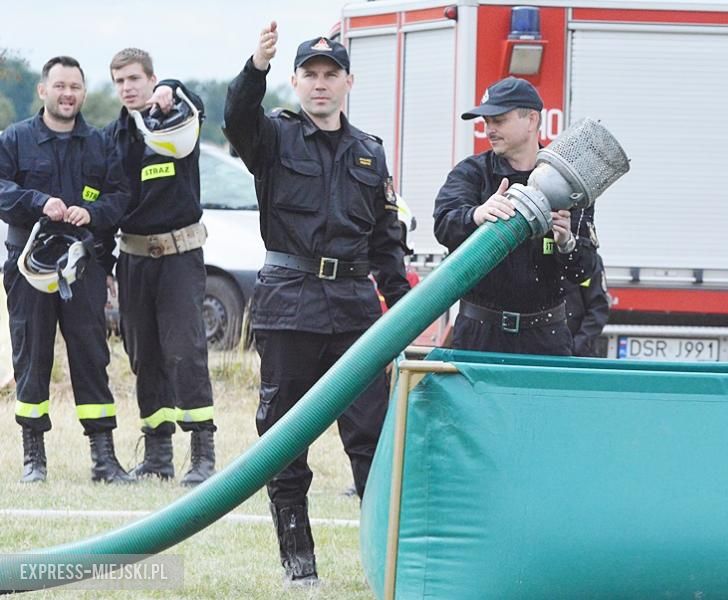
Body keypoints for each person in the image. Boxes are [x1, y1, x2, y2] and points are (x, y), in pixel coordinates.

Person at [224, 23, 410, 585]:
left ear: (349, 82)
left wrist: (403, 312)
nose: (321, 85)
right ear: (296, 81)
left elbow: (386, 242)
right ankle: (299, 569)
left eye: (332, 75)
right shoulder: (272, 138)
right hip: (290, 303)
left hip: (356, 310)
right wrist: (255, 65)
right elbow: (236, 117)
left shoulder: (369, 154)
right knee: (284, 440)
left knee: (372, 440)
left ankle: (385, 566)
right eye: (311, 75)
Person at [0, 56, 133, 483]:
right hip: (30, 267)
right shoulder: (15, 139)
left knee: (92, 358)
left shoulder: (99, 144)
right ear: (43, 91)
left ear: (83, 92)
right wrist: (39, 202)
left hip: (83, 267)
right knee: (31, 357)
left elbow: (119, 197)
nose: (67, 94)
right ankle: (34, 460)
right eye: (59, 86)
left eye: (75, 86)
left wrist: (90, 214)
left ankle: (104, 460)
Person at [104, 48, 216, 486]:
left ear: (151, 80)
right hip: (133, 259)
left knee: (186, 352)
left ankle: (202, 453)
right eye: (119, 81)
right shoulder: (115, 136)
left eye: (135, 78)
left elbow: (196, 103)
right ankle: (157, 454)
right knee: (144, 356)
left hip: (179, 256)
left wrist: (173, 88)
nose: (128, 87)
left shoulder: (176, 120)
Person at [433, 76, 597, 356]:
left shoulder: (570, 184)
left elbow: (585, 270)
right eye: (487, 122)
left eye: (499, 120)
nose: (490, 130)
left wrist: (566, 243)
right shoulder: (472, 173)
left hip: (546, 338)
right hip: (480, 336)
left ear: (531, 120)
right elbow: (443, 224)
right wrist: (476, 215)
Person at [564, 250, 610, 357]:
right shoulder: (541, 256)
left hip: (579, 353)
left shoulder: (588, 260)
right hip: (547, 347)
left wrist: (577, 345)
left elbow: (598, 309)